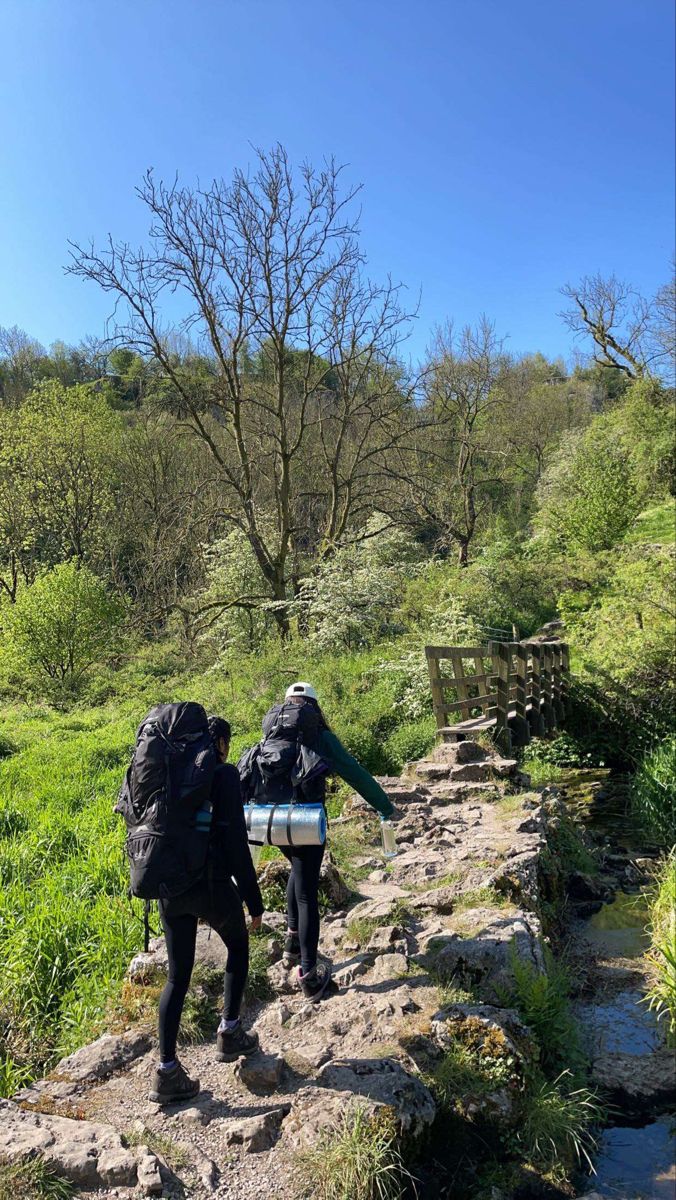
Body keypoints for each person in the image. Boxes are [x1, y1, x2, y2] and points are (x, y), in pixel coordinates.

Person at [252, 682, 394, 1003]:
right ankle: (309, 974)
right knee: (306, 892)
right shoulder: (319, 736)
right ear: (313, 707)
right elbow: (355, 773)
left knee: (297, 871)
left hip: (270, 821)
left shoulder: (272, 730)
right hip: (304, 821)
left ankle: (291, 943)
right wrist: (384, 806)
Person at [149, 716, 265, 1105]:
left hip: (168, 886)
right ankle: (230, 1031)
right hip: (210, 884)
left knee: (177, 975)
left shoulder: (168, 773)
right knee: (238, 944)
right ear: (221, 743)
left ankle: (166, 1072)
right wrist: (254, 902)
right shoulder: (224, 774)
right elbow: (235, 845)